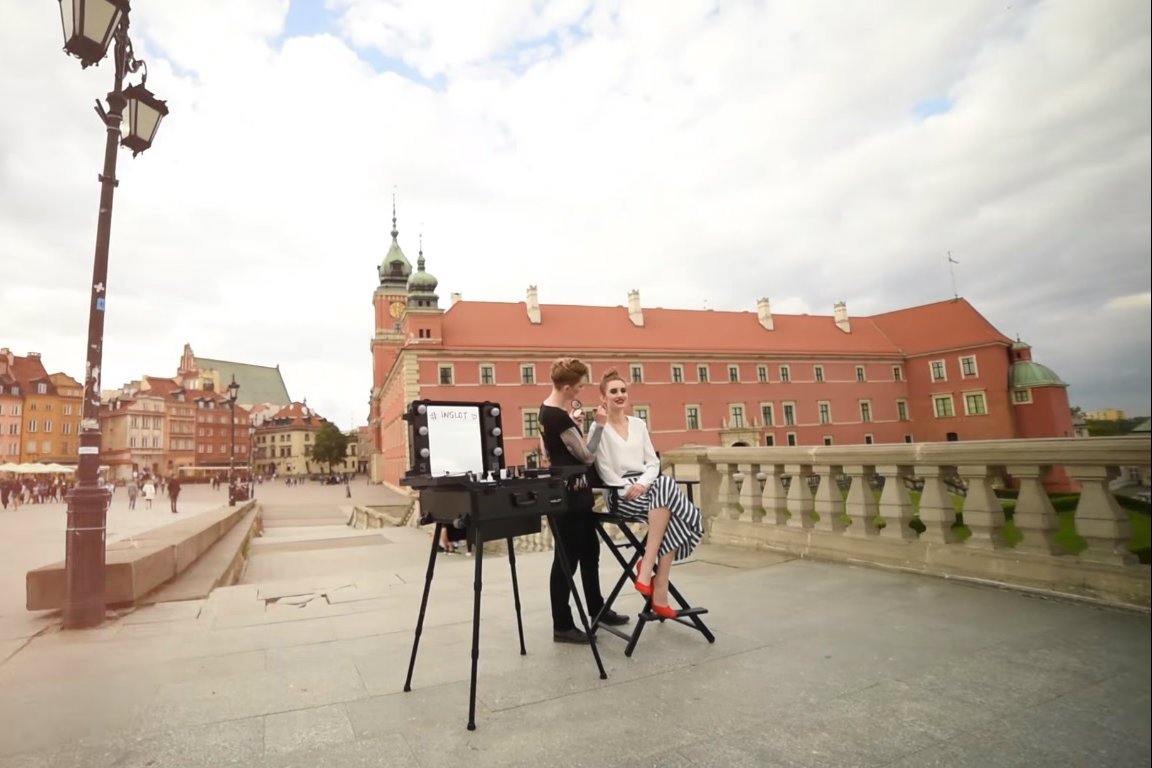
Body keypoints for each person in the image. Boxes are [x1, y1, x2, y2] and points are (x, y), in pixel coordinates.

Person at [591, 369, 703, 619]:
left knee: (663, 486)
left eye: (623, 390)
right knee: (681, 507)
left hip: (647, 487)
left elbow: (653, 463)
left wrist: (642, 484)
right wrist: (627, 488)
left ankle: (649, 571)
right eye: (613, 391)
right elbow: (605, 469)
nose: (620, 395)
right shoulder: (598, 428)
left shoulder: (639, 424)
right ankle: (657, 582)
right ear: (603, 398)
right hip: (620, 494)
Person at [538, 357, 629, 644]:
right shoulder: (558, 416)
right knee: (566, 560)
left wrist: (575, 427)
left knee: (590, 551)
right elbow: (587, 456)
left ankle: (597, 609)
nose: (580, 391)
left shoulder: (545, 410)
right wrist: (598, 425)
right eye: (577, 388)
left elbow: (547, 449)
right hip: (570, 497)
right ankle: (562, 624)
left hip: (574, 494)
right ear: (566, 387)